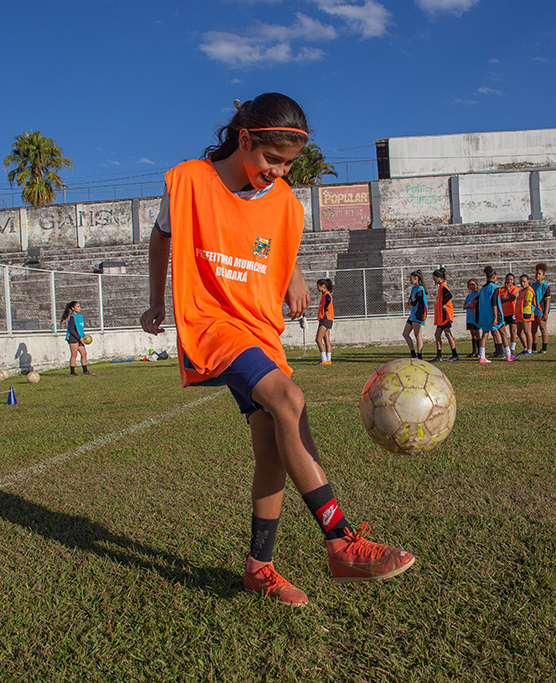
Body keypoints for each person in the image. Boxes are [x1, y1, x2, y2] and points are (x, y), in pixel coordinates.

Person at [140, 93, 414, 608]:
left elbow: (276, 242)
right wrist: (157, 300)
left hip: (258, 326)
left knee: (269, 450)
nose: (278, 172)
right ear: (244, 139)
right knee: (289, 399)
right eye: (271, 160)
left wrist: (296, 276)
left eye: (288, 164)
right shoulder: (189, 183)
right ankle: (340, 540)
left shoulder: (285, 199)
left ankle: (258, 568)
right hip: (211, 320)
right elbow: (161, 239)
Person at [475, 266, 510, 363]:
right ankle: (508, 355)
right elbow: (494, 302)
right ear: (494, 276)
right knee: (503, 333)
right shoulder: (495, 288)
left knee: (484, 334)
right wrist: (495, 317)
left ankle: (482, 357)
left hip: (484, 315)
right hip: (494, 314)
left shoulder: (482, 289)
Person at [430, 267, 459, 361]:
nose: (433, 279)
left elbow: (449, 295)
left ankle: (455, 354)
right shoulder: (440, 287)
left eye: (434, 277)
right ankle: (439, 355)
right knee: (437, 334)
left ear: (438, 277)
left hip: (445, 315)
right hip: (440, 317)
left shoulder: (443, 286)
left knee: (447, 333)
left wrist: (443, 304)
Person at [60, 301, 93, 376]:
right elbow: (71, 330)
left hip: (80, 338)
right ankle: (72, 372)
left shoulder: (80, 317)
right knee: (74, 354)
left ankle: (85, 370)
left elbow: (80, 328)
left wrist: (83, 337)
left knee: (84, 354)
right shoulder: (72, 317)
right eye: (77, 306)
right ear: (73, 308)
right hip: (73, 337)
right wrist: (79, 338)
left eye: (79, 306)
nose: (79, 308)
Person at [402, 270, 427, 358]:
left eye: (411, 278)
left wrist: (412, 302)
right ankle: (413, 353)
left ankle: (419, 355)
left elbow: (416, 301)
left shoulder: (420, 289)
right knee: (405, 334)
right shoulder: (413, 289)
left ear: (416, 278)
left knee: (417, 335)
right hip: (412, 315)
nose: (410, 280)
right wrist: (411, 301)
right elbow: (410, 301)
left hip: (417, 315)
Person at [531, 263, 552, 354]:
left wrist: (546, 313)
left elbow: (547, 301)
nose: (537, 275)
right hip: (533, 310)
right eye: (536, 273)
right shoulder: (532, 285)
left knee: (542, 328)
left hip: (541, 310)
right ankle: (534, 347)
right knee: (533, 330)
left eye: (539, 274)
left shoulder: (545, 286)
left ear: (543, 275)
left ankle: (544, 347)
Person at [514, 274, 535, 357]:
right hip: (519, 314)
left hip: (526, 313)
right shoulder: (521, 291)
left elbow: (527, 302)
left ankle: (529, 349)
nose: (522, 283)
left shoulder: (529, 290)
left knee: (527, 331)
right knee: (519, 332)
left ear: (528, 281)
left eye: (524, 281)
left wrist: (522, 309)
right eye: (521, 282)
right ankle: (525, 347)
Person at [499, 273, 519, 357]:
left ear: (513, 281)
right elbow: (499, 300)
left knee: (512, 331)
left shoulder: (516, 289)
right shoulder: (500, 290)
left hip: (512, 312)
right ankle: (503, 349)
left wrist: (508, 291)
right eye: (507, 279)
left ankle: (512, 349)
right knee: (501, 331)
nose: (509, 281)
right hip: (503, 313)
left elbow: (512, 298)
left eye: (511, 279)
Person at [315, 278, 334, 365]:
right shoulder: (325, 294)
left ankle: (324, 360)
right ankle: (328, 360)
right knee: (326, 339)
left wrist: (326, 307)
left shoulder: (326, 294)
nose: (317, 288)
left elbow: (328, 299)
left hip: (325, 319)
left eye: (318, 286)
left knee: (318, 339)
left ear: (323, 286)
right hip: (328, 319)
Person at [463, 278, 481, 358]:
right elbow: (464, 306)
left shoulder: (478, 295)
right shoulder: (469, 296)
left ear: (476, 285)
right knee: (472, 334)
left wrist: (468, 305)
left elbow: (472, 305)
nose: (471, 286)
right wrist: (467, 305)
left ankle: (480, 351)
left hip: (475, 316)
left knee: (477, 334)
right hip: (469, 317)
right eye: (470, 285)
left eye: (473, 284)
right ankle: (474, 351)